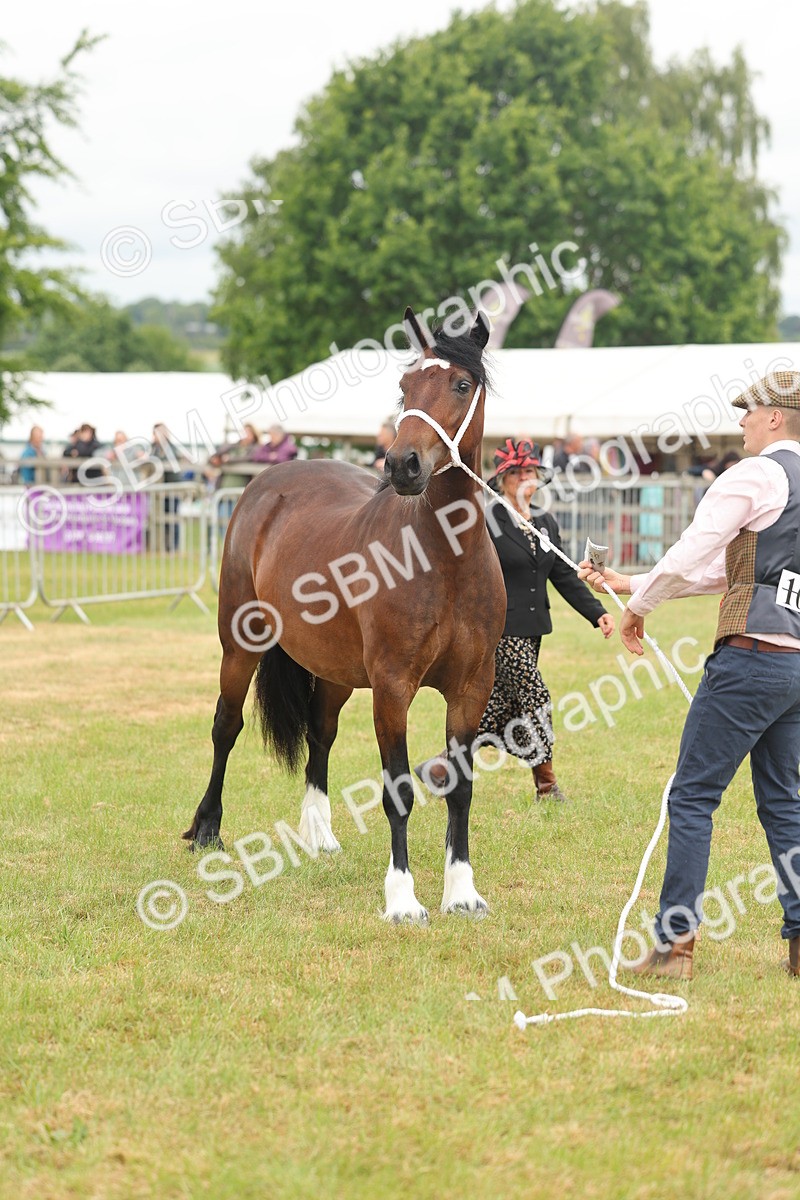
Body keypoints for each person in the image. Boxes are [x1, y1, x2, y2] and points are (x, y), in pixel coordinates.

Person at [580, 371, 800, 980]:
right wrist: (632, 583)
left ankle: (676, 943)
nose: (742, 420)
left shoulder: (757, 474)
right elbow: (736, 573)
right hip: (794, 667)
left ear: (776, 417)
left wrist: (638, 610)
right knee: (784, 804)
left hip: (749, 658)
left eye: (750, 411)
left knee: (694, 797)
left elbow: (694, 547)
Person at [417, 439, 614, 801]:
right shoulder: (488, 522)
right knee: (536, 699)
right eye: (519, 472)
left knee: (496, 709)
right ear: (504, 479)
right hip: (500, 631)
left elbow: (564, 576)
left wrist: (597, 613)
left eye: (532, 472)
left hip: (534, 632)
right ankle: (547, 785)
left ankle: (442, 766)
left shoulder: (545, 523)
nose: (526, 478)